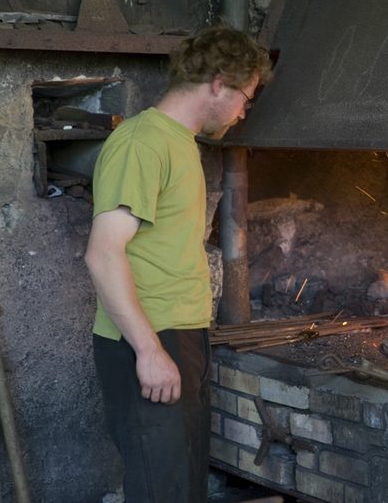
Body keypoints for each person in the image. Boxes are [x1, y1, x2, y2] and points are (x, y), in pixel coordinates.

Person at [85, 26, 272, 502]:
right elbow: (103, 254)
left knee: (183, 490)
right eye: (246, 97)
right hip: (148, 342)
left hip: (181, 336)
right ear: (219, 81)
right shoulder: (142, 143)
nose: (244, 110)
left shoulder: (180, 142)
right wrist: (149, 352)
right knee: (160, 492)